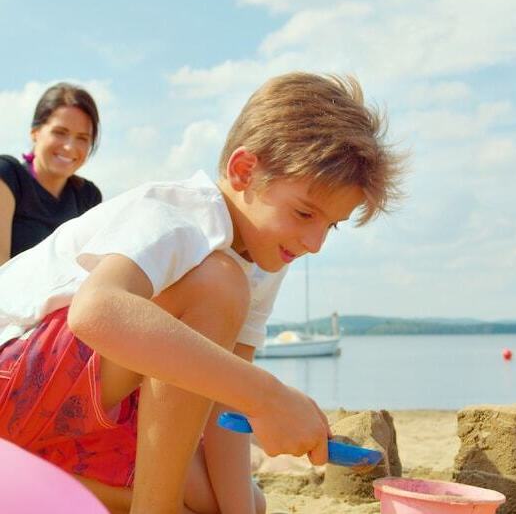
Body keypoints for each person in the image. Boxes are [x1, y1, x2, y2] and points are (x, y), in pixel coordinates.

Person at [0, 72, 404, 514]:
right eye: (305, 212)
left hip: (76, 415)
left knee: (239, 502)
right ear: (244, 170)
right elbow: (96, 311)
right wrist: (269, 397)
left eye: (330, 225)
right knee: (219, 283)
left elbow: (223, 398)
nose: (314, 243)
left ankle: (30, 478)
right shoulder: (177, 216)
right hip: (14, 375)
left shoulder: (267, 257)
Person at [0, 82, 102, 266]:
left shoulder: (88, 196)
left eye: (82, 138)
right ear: (35, 132)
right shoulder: (7, 175)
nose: (70, 146)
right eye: (60, 132)